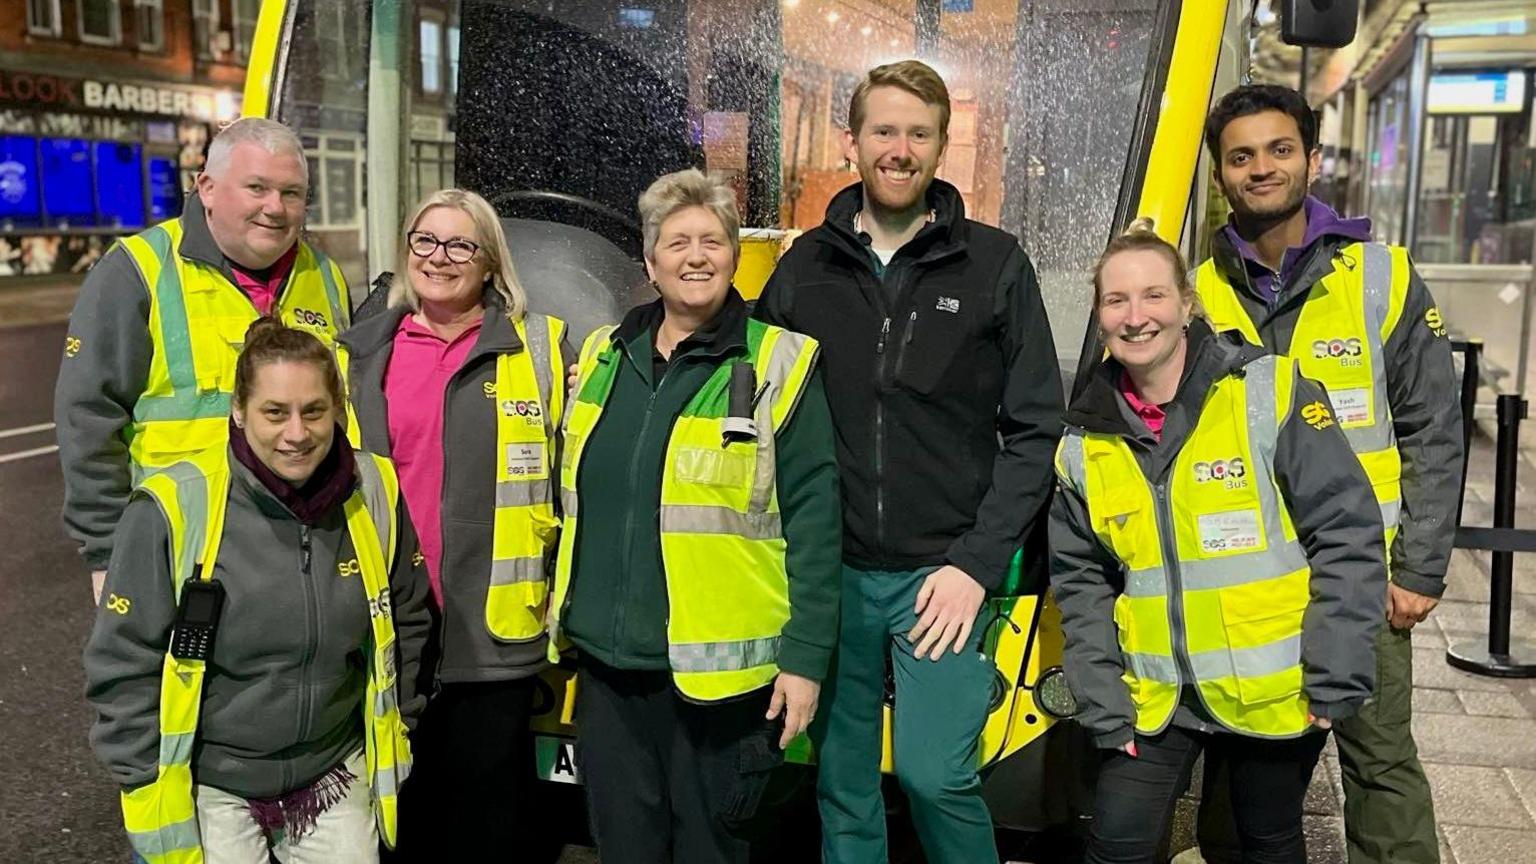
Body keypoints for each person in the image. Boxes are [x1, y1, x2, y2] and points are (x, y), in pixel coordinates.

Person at [753, 60, 1063, 864]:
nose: (900, 149)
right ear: (851, 142)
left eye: (918, 134)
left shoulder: (994, 265)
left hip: (943, 579)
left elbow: (1035, 430)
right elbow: (743, 390)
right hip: (832, 573)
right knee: (842, 783)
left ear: (941, 145)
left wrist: (976, 563)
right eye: (884, 131)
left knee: (935, 776)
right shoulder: (803, 268)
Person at [1052, 221, 1386, 864]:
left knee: (1262, 841)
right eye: (1116, 300)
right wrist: (1101, 695)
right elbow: (1080, 579)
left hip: (1272, 688)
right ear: (1098, 316)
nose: (1136, 316)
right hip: (1155, 696)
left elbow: (1347, 529)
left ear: (1186, 303)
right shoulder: (1081, 443)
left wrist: (1337, 667)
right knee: (1115, 842)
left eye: (1153, 295)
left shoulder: (1268, 391)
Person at [1192, 84, 1461, 864]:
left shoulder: (1382, 277)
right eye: (1241, 156)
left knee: (1378, 764)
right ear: (1220, 175)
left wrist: (1418, 567)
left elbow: (1433, 429)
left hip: (1364, 578)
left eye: (1280, 150)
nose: (1262, 169)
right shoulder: (1197, 294)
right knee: (1238, 766)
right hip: (1247, 579)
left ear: (1312, 158)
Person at [548, 168, 841, 864]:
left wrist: (804, 661)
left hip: (721, 692)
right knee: (624, 849)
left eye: (713, 240)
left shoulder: (779, 363)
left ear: (737, 257)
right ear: (649, 262)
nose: (696, 256)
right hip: (609, 675)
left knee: (712, 852)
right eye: (676, 242)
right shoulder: (601, 356)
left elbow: (816, 521)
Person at [84, 318, 431, 864]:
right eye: (275, 412)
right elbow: (122, 660)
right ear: (238, 411)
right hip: (214, 781)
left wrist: (402, 721)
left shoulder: (375, 491)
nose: (297, 433)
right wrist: (143, 776)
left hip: (333, 770)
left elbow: (409, 617)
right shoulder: (173, 509)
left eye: (314, 410)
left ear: (338, 408)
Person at [336, 188, 571, 860]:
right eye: (425, 241)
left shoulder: (544, 349)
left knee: (488, 820)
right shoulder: (358, 355)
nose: (439, 257)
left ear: (491, 262)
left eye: (460, 244)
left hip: (490, 627)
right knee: (397, 813)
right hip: (387, 623)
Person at [56, 117, 351, 606]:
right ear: (207, 188)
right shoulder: (138, 270)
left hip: (302, 548)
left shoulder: (323, 274)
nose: (275, 208)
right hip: (179, 551)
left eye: (292, 193)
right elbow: (87, 419)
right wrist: (107, 553)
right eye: (257, 188)